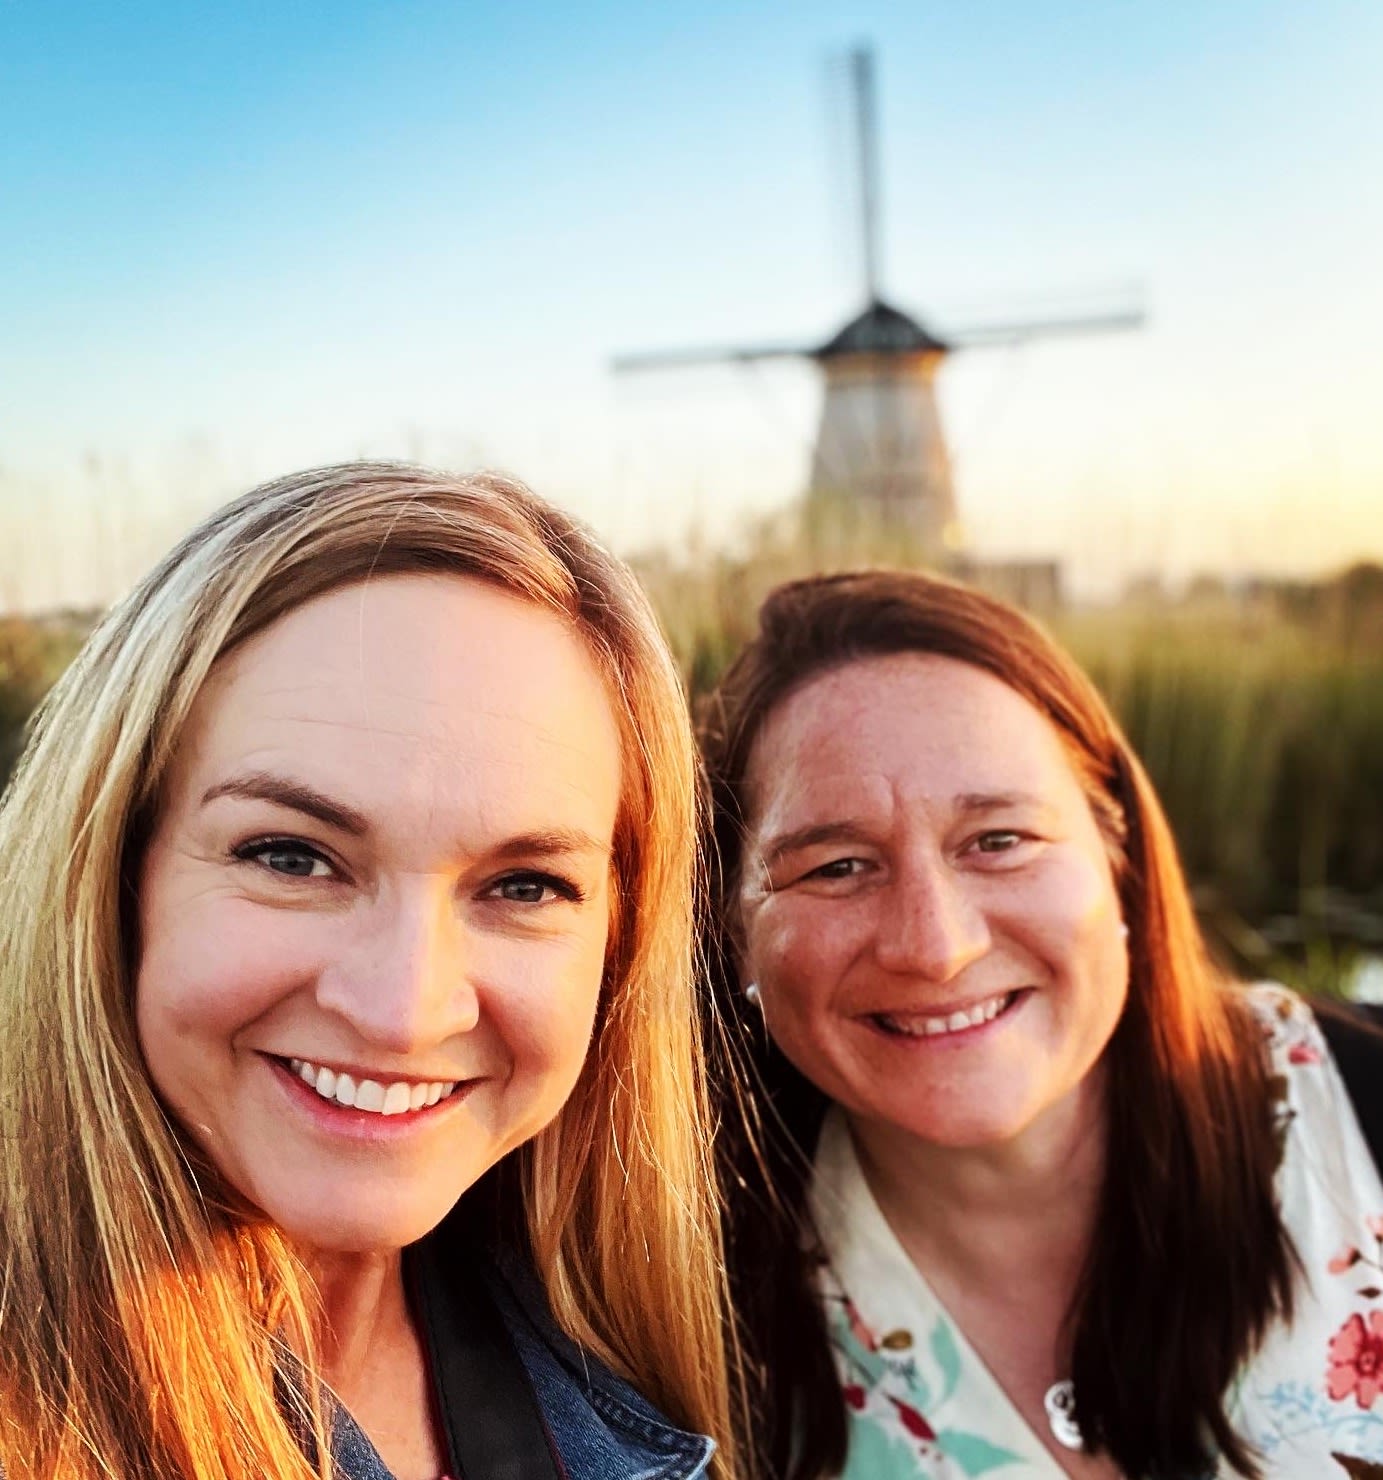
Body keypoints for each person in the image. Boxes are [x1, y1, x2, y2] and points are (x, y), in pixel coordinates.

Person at [0, 463, 735, 1480]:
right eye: (290, 856)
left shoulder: (621, 1360)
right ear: (114, 872)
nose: (403, 1010)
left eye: (523, 885)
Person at [699, 569, 1383, 1480]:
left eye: (997, 841)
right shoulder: (678, 1321)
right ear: (732, 931)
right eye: (835, 867)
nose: (935, 946)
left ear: (1120, 857)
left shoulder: (1363, 1109)